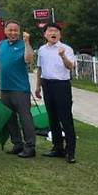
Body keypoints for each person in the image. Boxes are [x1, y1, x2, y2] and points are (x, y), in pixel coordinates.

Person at [0, 20, 36, 158]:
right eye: (10, 30)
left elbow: (28, 60)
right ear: (5, 31)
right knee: (9, 118)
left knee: (25, 118)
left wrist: (27, 42)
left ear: (19, 31)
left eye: (16, 30)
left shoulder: (23, 45)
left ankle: (30, 147)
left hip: (20, 89)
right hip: (5, 89)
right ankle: (17, 143)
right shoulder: (1, 44)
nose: (13, 33)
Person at [35, 23, 77, 163]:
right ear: (45, 34)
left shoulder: (66, 49)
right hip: (47, 84)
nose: (53, 33)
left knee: (65, 118)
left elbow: (70, 67)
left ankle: (70, 151)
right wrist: (37, 87)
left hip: (61, 85)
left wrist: (63, 56)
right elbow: (40, 69)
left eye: (56, 31)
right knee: (52, 118)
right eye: (50, 31)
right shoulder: (42, 50)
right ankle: (57, 147)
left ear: (60, 34)